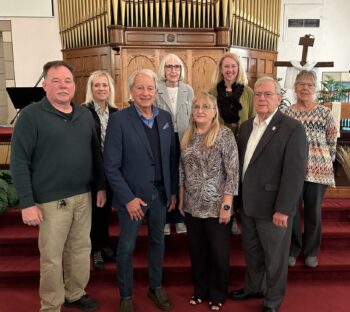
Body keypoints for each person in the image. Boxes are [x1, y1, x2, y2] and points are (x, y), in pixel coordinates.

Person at [10, 60, 106, 312]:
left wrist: (101, 187)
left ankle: (75, 292)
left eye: (67, 81)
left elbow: (95, 154)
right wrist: (27, 203)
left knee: (80, 249)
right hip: (51, 201)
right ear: (44, 85)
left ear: (74, 85)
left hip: (83, 196)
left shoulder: (85, 115)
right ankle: (52, 304)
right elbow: (19, 162)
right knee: (52, 257)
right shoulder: (31, 116)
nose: (63, 86)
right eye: (56, 81)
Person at [229, 77, 308, 312]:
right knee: (252, 253)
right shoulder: (245, 127)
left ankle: (273, 300)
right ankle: (254, 287)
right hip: (249, 205)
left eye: (268, 94)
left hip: (274, 208)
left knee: (275, 259)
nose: (262, 99)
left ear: (279, 98)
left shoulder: (292, 128)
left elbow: (294, 174)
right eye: (258, 94)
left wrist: (284, 209)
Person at [104, 69, 176, 312]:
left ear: (156, 91)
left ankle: (155, 287)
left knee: (158, 242)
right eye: (140, 88)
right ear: (131, 91)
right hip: (132, 198)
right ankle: (125, 295)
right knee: (126, 247)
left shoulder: (165, 118)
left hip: (160, 195)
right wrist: (128, 199)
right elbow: (111, 166)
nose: (145, 93)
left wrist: (173, 191)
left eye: (150, 88)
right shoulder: (119, 120)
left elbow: (171, 158)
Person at [178, 92, 239, 311]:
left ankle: (218, 293)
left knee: (218, 253)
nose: (200, 111)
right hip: (193, 206)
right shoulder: (188, 135)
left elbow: (233, 172)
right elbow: (181, 170)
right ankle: (200, 290)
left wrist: (227, 204)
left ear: (214, 112)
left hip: (216, 206)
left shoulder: (224, 135)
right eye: (196, 107)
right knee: (197, 252)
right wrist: (182, 199)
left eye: (206, 107)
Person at [282, 70, 337, 268]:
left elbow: (332, 142)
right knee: (292, 211)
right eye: (301, 84)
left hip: (318, 171)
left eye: (309, 85)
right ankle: (293, 249)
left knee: (313, 212)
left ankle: (311, 251)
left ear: (315, 89)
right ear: (295, 87)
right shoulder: (287, 113)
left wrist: (324, 162)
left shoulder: (325, 113)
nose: (305, 88)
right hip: (292, 172)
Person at [210, 52, 255, 235]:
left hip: (242, 143)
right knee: (222, 178)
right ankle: (223, 212)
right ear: (221, 69)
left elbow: (253, 118)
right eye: (226, 66)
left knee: (240, 180)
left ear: (238, 69)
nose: (230, 70)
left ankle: (238, 213)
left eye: (233, 66)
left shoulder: (248, 92)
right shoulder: (212, 92)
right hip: (218, 144)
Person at [156, 53, 194, 235]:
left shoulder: (188, 90)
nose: (173, 70)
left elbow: (193, 117)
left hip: (184, 139)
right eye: (169, 67)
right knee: (165, 178)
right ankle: (165, 218)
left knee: (182, 178)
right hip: (162, 140)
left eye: (177, 66)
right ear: (163, 70)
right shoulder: (156, 89)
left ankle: (179, 217)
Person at [84, 70, 118, 271]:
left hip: (111, 170)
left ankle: (105, 245)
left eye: (105, 85)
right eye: (97, 85)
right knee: (96, 211)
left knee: (105, 212)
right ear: (91, 88)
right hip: (92, 170)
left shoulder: (116, 112)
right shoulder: (84, 112)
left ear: (110, 88)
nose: (101, 89)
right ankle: (95, 249)